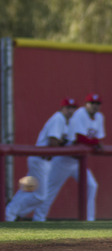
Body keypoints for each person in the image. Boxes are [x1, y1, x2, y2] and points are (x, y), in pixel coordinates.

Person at [5, 97, 78, 222]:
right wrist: (61, 142)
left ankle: (8, 215)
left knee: (26, 190)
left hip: (42, 160)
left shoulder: (65, 121)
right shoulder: (59, 118)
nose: (71, 111)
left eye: (73, 108)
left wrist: (61, 141)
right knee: (40, 197)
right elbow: (53, 141)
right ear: (62, 108)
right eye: (68, 108)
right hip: (40, 160)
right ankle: (14, 213)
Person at [33, 94, 102, 222]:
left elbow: (96, 138)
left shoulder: (98, 117)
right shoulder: (79, 114)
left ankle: (89, 219)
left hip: (77, 162)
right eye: (92, 103)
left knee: (91, 185)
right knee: (50, 190)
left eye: (97, 104)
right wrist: (95, 143)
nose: (95, 106)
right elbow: (81, 138)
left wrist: (95, 142)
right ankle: (38, 218)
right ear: (86, 104)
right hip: (63, 160)